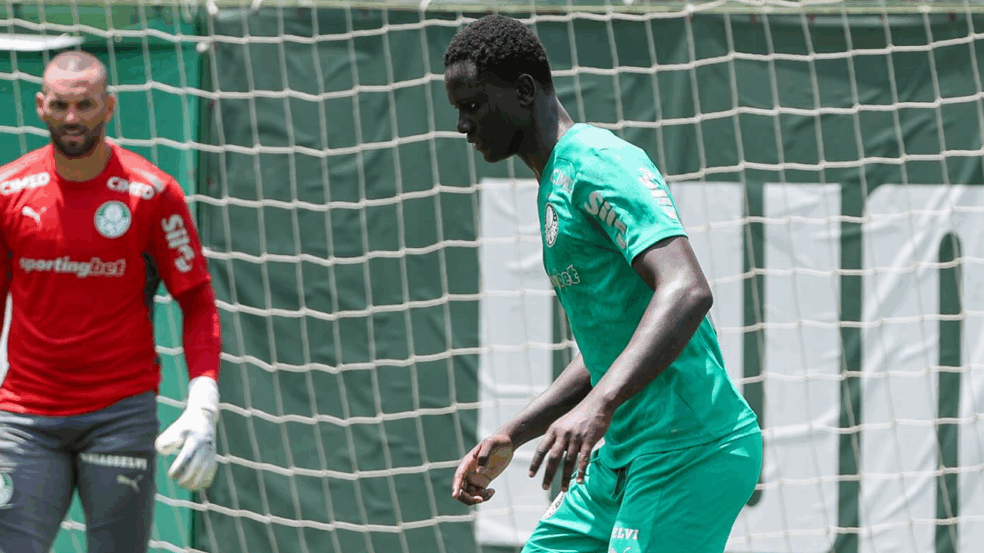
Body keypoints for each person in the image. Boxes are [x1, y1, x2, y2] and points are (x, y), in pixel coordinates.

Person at [444, 15, 762, 553]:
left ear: (523, 91)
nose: (463, 125)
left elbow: (686, 290)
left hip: (687, 450)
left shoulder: (597, 162)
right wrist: (512, 433)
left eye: (472, 105)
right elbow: (608, 347)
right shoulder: (554, 183)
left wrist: (599, 406)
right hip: (621, 457)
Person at [0, 50, 222, 553]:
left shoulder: (152, 193)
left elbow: (197, 299)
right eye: (60, 104)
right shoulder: (8, 190)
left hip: (119, 416)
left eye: (85, 105)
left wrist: (203, 402)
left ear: (110, 106)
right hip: (24, 418)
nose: (72, 118)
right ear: (40, 106)